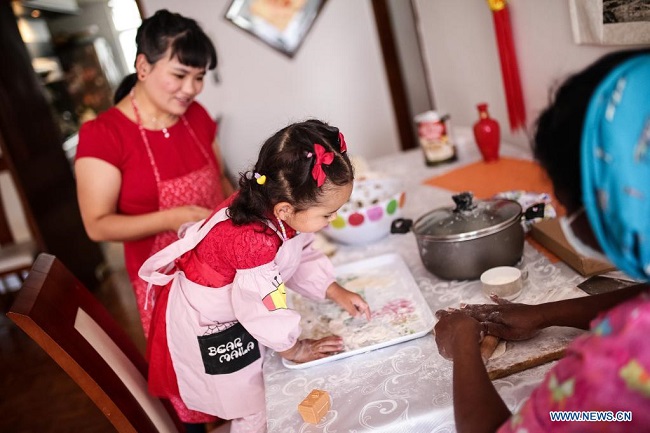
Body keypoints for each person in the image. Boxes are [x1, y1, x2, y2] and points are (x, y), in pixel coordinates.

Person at [433, 48, 650, 433]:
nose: (561, 213)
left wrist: (464, 347)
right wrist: (547, 313)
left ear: (611, 197)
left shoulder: (619, 366)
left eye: (563, 200)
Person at [139, 119, 371, 433]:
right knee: (253, 406)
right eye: (327, 214)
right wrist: (293, 348)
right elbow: (262, 307)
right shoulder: (254, 241)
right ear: (286, 211)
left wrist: (333, 289)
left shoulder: (277, 208)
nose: (332, 221)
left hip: (239, 311)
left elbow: (299, 252)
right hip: (212, 324)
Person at [74, 9, 234, 430]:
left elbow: (219, 179)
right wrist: (178, 216)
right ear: (143, 66)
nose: (191, 89)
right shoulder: (104, 135)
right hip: (167, 290)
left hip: (224, 270)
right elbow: (97, 224)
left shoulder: (196, 117)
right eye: (180, 75)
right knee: (207, 388)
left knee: (247, 373)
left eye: (198, 77)